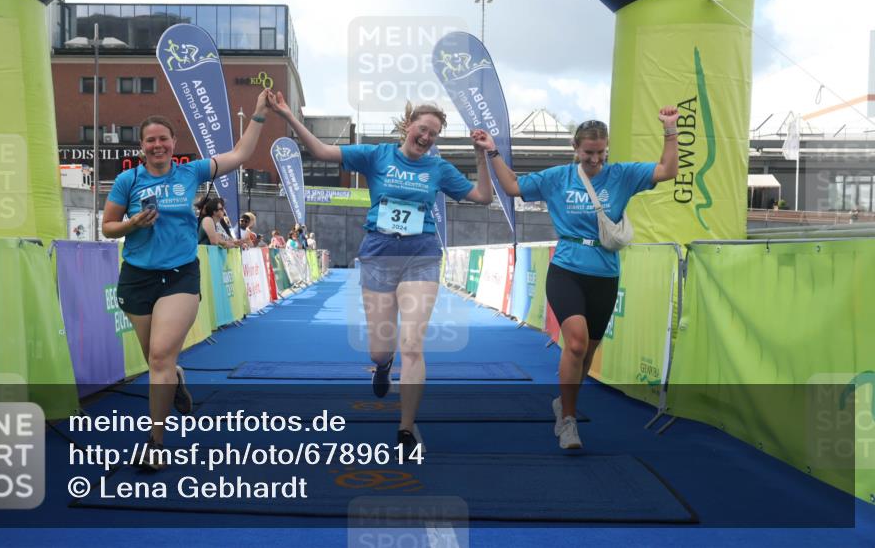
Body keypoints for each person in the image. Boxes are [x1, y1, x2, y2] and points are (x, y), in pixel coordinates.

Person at [268, 92, 495, 458]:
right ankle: (382, 366)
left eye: (433, 134)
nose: (427, 137)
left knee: (413, 345)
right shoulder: (377, 155)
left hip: (421, 255)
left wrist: (482, 154)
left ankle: (406, 428)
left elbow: (483, 196)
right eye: (423, 129)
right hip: (379, 255)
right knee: (379, 349)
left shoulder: (438, 169)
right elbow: (324, 152)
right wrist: (287, 116)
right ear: (408, 126)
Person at [488, 108, 680, 449]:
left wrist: (670, 130)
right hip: (566, 269)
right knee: (574, 342)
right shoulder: (558, 178)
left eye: (600, 152)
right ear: (575, 148)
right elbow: (513, 186)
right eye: (588, 152)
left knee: (587, 353)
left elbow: (667, 170)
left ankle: (565, 401)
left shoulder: (622, 175)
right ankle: (568, 422)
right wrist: (492, 152)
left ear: (607, 149)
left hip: (605, 273)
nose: (594, 159)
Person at [101, 90, 272, 470]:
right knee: (157, 361)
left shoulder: (190, 172)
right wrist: (132, 223)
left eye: (164, 138)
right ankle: (176, 377)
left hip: (180, 275)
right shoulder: (128, 181)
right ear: (142, 145)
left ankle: (155, 443)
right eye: (150, 140)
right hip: (137, 277)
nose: (157, 145)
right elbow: (108, 227)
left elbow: (241, 154)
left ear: (174, 144)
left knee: (160, 355)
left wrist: (258, 115)